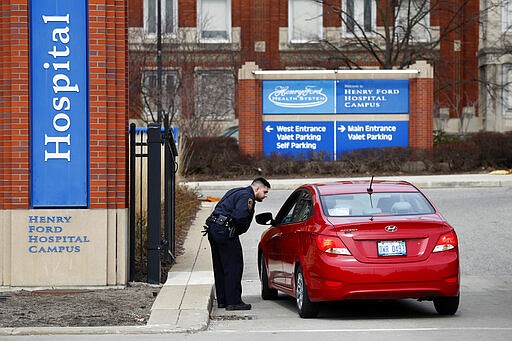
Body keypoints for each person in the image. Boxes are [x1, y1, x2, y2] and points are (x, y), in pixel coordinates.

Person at [204, 177, 271, 311]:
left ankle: (223, 300)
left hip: (214, 228)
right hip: (225, 232)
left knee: (221, 266)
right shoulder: (248, 197)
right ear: (257, 188)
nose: (265, 196)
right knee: (234, 266)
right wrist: (237, 229)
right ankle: (234, 302)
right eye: (264, 192)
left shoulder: (236, 191)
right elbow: (240, 216)